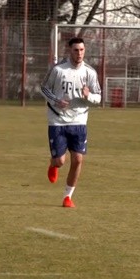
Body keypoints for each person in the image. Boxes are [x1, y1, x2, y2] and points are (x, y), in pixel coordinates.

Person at [39, 37, 102, 208]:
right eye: (76, 50)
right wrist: (56, 100)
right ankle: (53, 164)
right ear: (70, 51)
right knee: (60, 161)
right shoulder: (58, 70)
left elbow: (98, 97)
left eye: (82, 50)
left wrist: (88, 96)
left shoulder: (90, 72)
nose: (79, 53)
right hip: (57, 119)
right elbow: (44, 88)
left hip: (79, 120)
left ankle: (68, 196)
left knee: (78, 159)